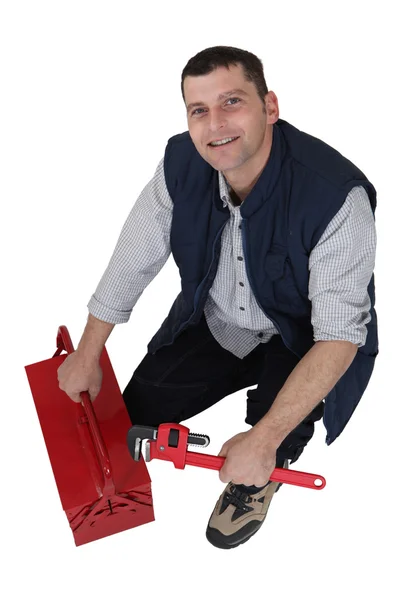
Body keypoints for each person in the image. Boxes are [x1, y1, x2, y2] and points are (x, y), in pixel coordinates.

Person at [57, 46, 378, 550]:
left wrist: (263, 439)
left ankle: (262, 471)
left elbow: (338, 336)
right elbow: (133, 258)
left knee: (272, 432)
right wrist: (88, 350)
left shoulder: (336, 195)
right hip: (222, 319)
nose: (215, 124)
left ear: (270, 107)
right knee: (131, 410)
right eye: (199, 110)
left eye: (232, 102)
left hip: (303, 339)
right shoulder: (181, 163)